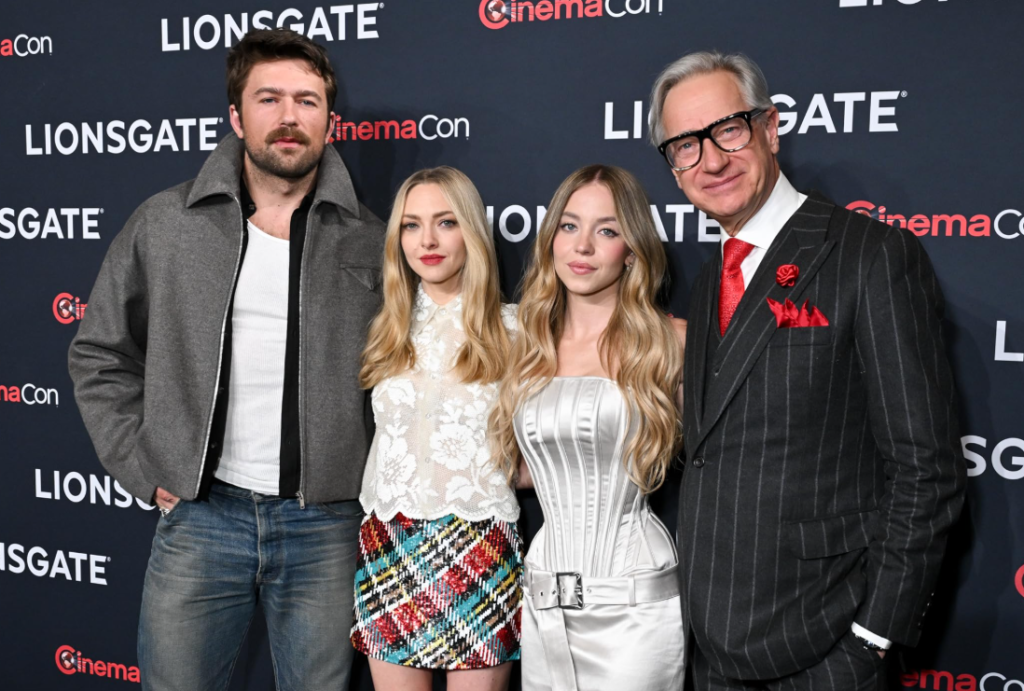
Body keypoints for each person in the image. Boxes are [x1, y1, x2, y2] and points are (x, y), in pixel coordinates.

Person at [67, 29, 384, 691]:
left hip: (327, 525)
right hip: (201, 518)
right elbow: (99, 353)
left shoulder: (373, 240)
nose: (290, 116)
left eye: (307, 100)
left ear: (331, 120)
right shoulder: (166, 223)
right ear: (237, 117)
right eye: (269, 99)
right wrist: (144, 463)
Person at [648, 51, 967, 689]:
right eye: (685, 145)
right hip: (711, 646)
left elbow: (925, 468)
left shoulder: (868, 255)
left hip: (826, 645)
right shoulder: (711, 277)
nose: (711, 160)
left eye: (727, 130)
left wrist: (873, 637)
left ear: (769, 128)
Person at [490, 164, 688, 691]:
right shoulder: (527, 346)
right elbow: (527, 468)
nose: (583, 246)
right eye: (569, 226)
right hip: (544, 597)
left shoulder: (670, 343)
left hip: (635, 606)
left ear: (633, 250)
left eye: (607, 230)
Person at [351, 167, 522, 691]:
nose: (426, 240)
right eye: (411, 225)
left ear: (472, 231)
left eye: (446, 222)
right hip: (389, 545)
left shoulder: (515, 328)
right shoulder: (385, 328)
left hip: (479, 545)